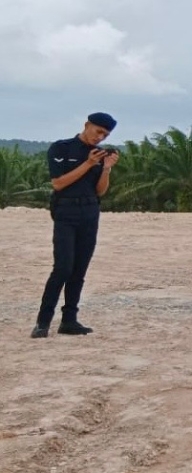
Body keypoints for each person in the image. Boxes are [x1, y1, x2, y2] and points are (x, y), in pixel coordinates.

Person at [31, 112, 119, 338]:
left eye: (105, 135)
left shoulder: (98, 155)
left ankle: (69, 321)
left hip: (90, 211)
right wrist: (89, 163)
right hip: (65, 212)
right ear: (87, 125)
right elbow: (59, 183)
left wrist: (106, 167)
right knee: (62, 267)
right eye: (98, 131)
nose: (100, 137)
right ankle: (43, 322)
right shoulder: (62, 148)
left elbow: (99, 190)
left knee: (79, 270)